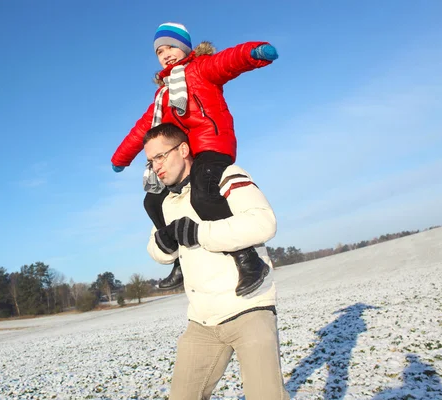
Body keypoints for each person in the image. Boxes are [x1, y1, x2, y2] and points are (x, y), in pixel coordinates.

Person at [110, 22, 279, 295]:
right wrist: (121, 157)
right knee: (153, 200)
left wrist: (253, 52)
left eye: (171, 47)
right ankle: (177, 257)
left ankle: (248, 259)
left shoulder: (201, 69)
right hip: (185, 155)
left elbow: (227, 62)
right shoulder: (162, 95)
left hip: (213, 145)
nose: (165, 54)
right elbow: (144, 128)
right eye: (160, 51)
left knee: (203, 193)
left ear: (185, 48)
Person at [143, 123, 289, 400]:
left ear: (183, 149)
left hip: (249, 310)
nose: (156, 167)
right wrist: (163, 245)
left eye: (161, 156)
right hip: (202, 321)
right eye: (151, 161)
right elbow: (156, 249)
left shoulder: (225, 175)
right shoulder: (166, 202)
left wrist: (201, 233)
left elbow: (263, 222)